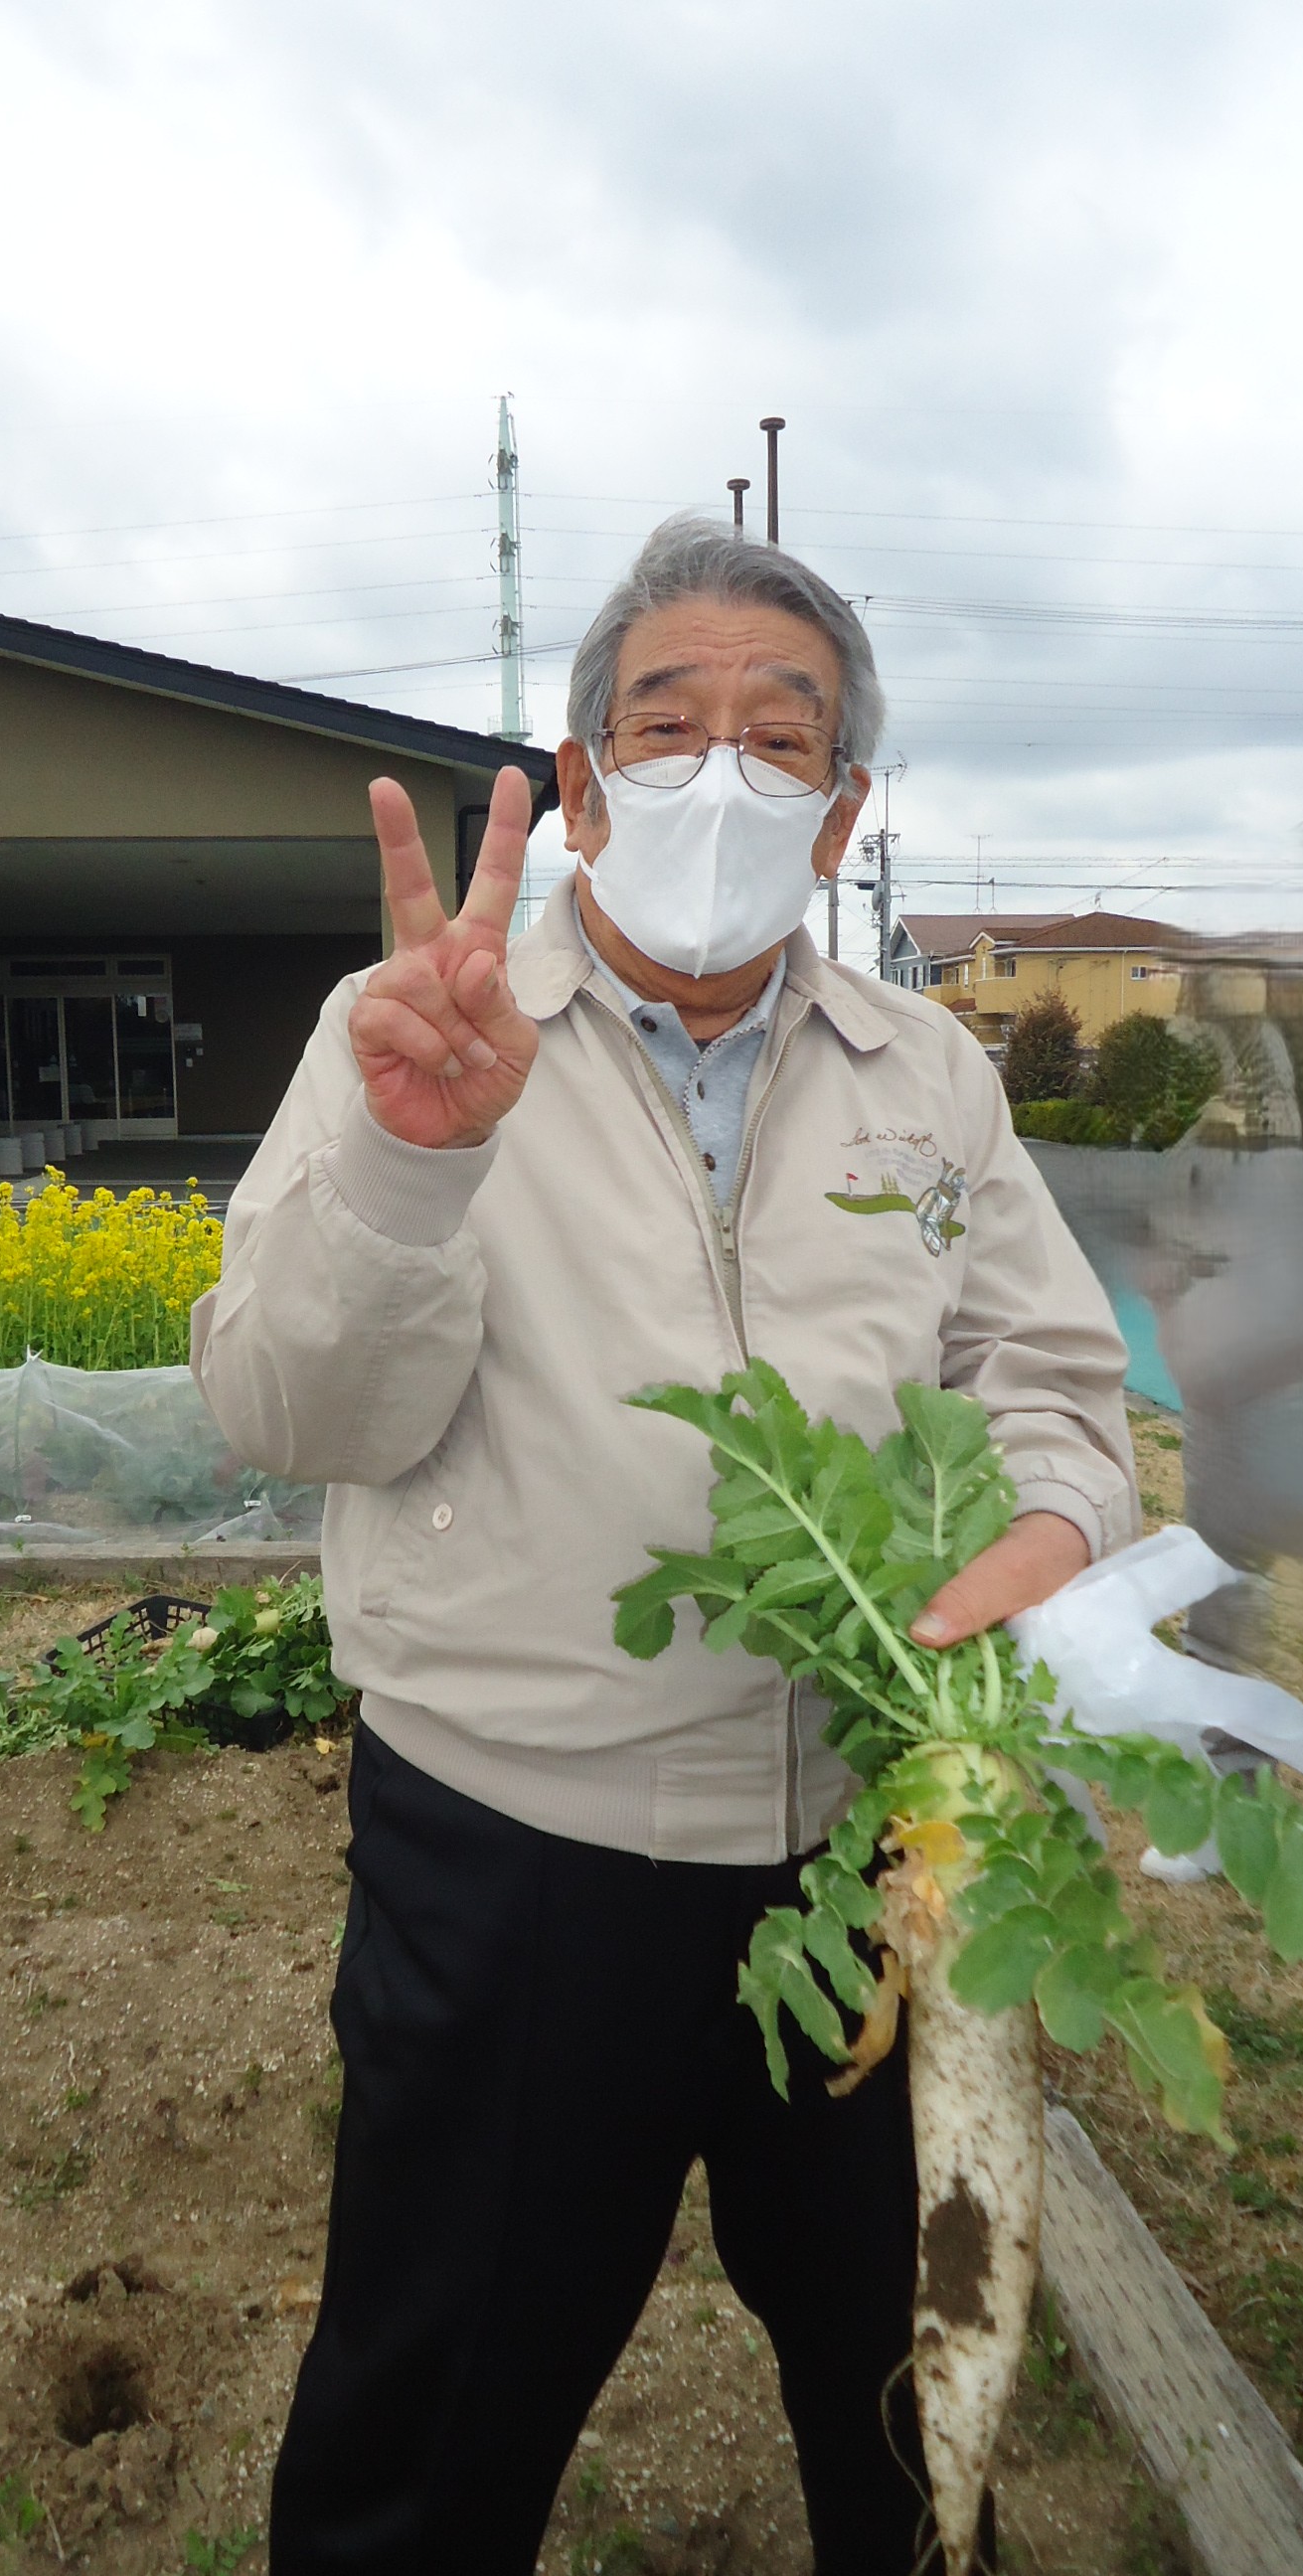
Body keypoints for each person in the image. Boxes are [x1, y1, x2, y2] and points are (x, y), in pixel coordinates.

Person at [191, 516, 1138, 2576]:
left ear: (840, 811)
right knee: (434, 2418)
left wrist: (1054, 1525)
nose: (723, 772)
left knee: (911, 2393)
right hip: (518, 1864)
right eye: (665, 725)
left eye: (777, 740)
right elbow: (284, 1414)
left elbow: (1050, 1380)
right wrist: (407, 1175)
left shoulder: (925, 1072)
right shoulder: (416, 1029)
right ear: (582, 778)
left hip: (870, 1857)